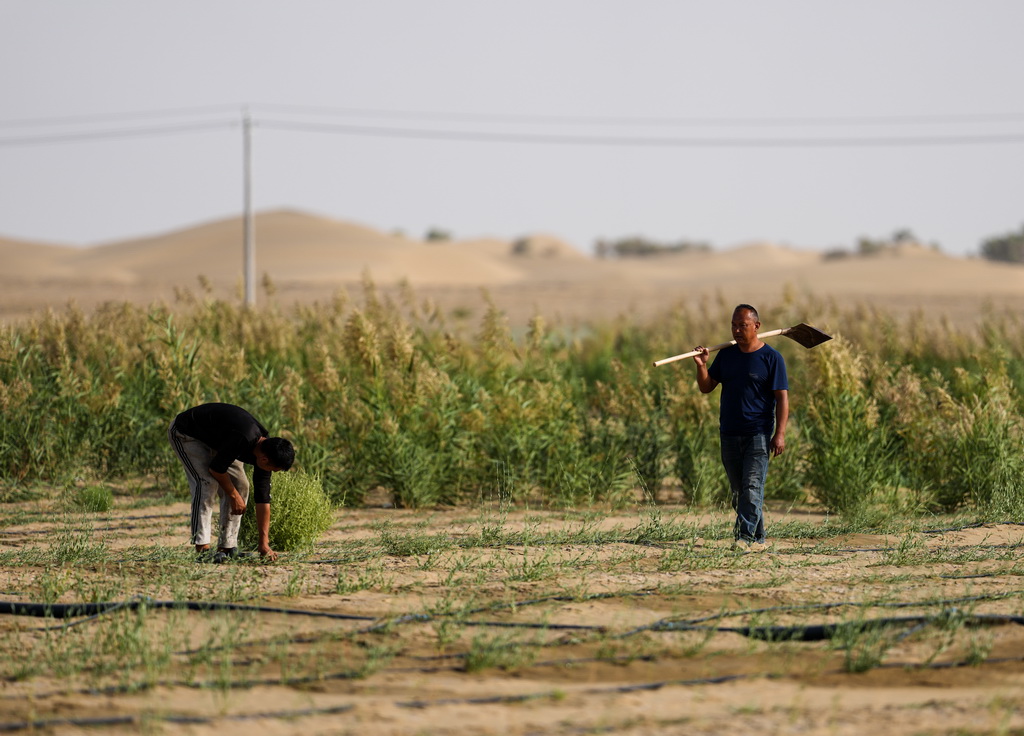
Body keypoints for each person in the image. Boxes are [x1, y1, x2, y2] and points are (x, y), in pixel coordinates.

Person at [693, 305, 788, 552]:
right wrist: (702, 365)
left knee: (752, 487)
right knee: (739, 492)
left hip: (758, 433)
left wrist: (779, 434)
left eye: (742, 325)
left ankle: (744, 538)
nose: (736, 330)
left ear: (756, 326)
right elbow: (706, 387)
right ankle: (758, 539)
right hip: (729, 432)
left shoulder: (772, 358)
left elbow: (782, 398)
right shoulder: (727, 355)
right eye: (733, 325)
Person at [167, 403, 295, 563]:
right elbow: (216, 469)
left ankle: (227, 547)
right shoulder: (244, 438)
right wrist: (233, 496)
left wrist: (264, 543)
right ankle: (202, 550)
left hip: (218, 439)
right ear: (264, 460)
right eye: (274, 469)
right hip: (186, 432)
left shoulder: (265, 451)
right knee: (206, 483)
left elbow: (263, 500)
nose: (272, 473)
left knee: (241, 486)